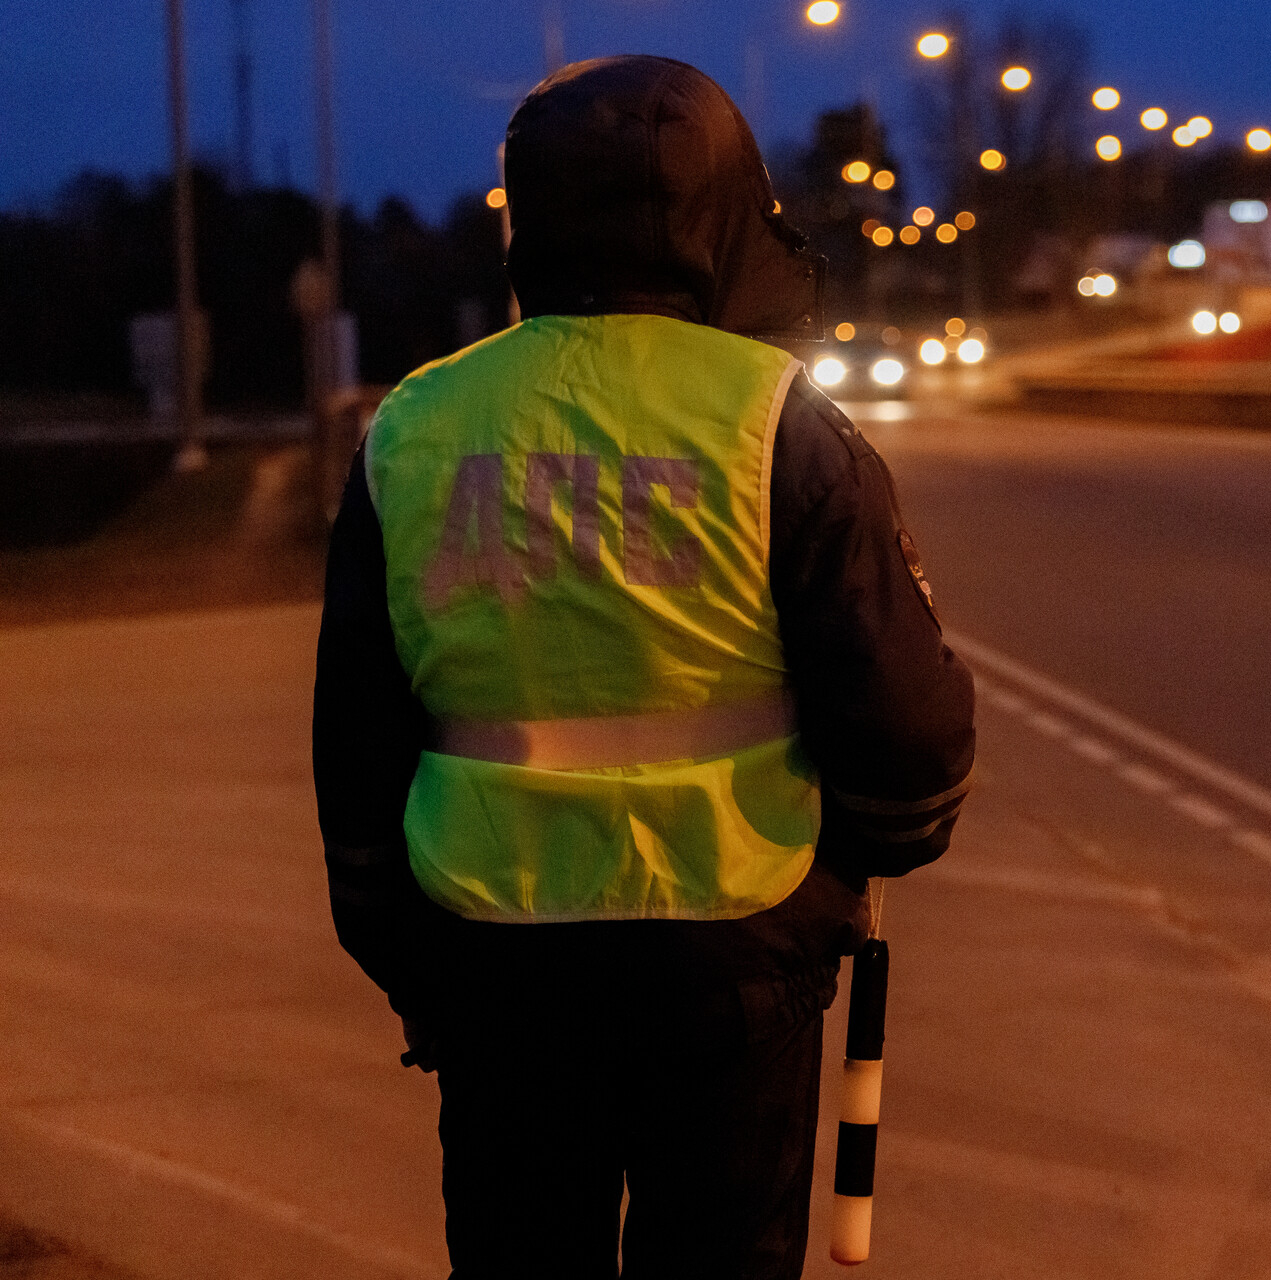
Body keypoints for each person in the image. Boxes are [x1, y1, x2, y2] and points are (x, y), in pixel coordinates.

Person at [311, 55, 974, 1280]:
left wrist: (408, 951)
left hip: (493, 947)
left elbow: (355, 737)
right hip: (733, 945)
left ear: (529, 219)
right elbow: (907, 729)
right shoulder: (779, 420)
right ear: (732, 211)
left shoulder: (416, 425)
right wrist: (847, 874)